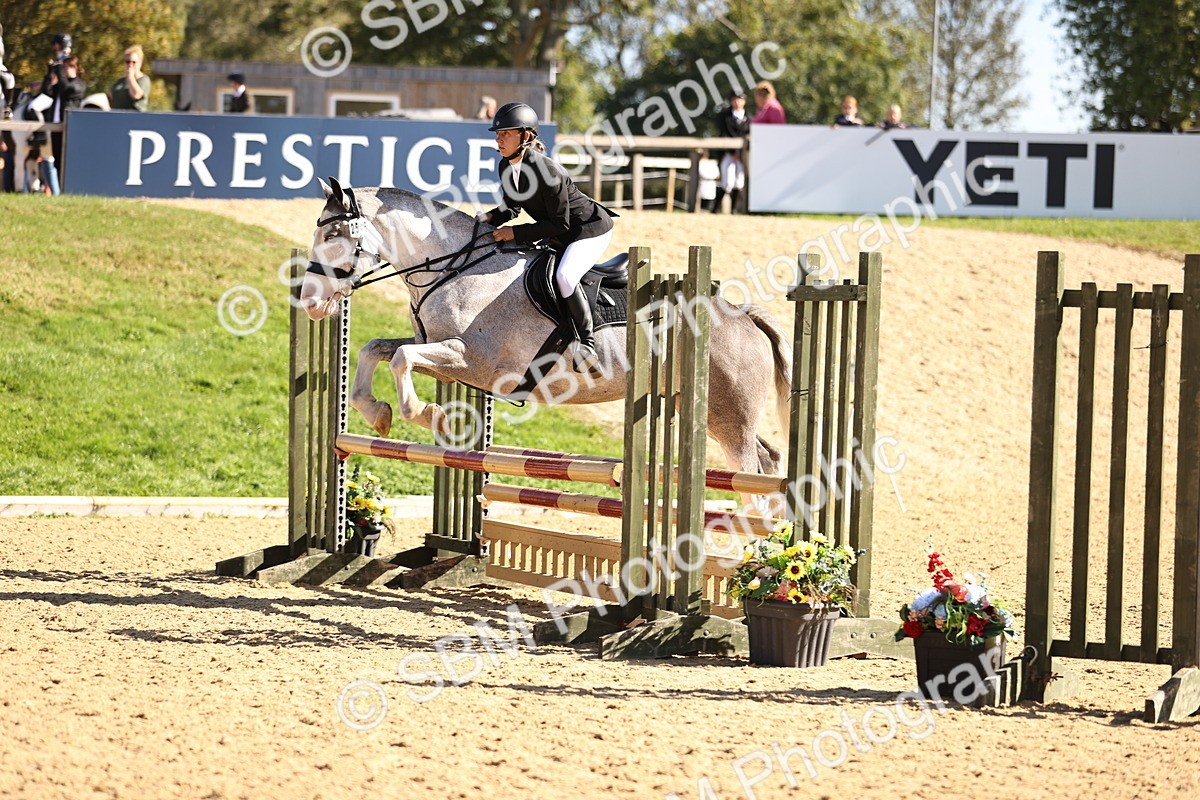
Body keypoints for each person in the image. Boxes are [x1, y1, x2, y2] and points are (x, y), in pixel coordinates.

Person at [479, 102, 617, 374]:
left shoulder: (548, 171)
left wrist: (515, 232)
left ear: (526, 136)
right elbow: (512, 208)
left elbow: (559, 222)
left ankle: (586, 344)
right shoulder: (506, 167)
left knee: (564, 276)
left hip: (589, 229)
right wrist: (486, 220)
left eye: (506, 133)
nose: (499, 138)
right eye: (498, 134)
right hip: (560, 230)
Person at [712, 89, 750, 213]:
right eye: (735, 99)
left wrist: (740, 153)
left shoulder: (748, 118)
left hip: (743, 155)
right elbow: (723, 135)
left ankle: (734, 210)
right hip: (728, 153)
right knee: (727, 182)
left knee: (739, 182)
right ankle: (715, 209)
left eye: (740, 99)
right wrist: (732, 151)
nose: (737, 102)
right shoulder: (725, 117)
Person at [111, 45, 150, 111]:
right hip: (117, 118)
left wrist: (130, 77)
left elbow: (136, 95)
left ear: (140, 63)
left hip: (134, 119)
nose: (130, 65)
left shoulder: (144, 80)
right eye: (127, 62)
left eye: (134, 62)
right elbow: (111, 98)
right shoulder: (120, 81)